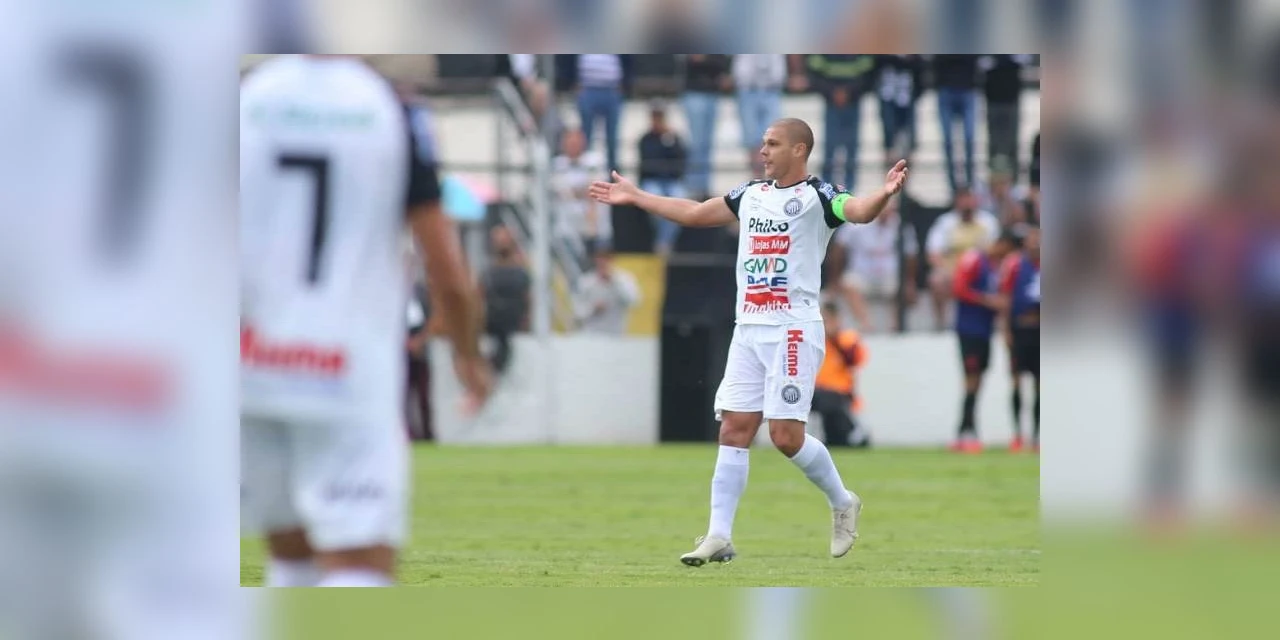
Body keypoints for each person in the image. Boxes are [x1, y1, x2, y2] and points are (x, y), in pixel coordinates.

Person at [589, 117, 909, 564]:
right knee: (734, 429)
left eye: (773, 144)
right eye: (763, 143)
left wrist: (884, 193)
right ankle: (719, 535)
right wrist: (637, 196)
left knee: (784, 436)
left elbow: (858, 211)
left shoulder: (819, 196)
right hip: (749, 328)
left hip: (793, 329)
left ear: (799, 150)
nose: (763, 151)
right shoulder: (750, 195)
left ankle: (842, 501)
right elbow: (698, 212)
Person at [239, 55, 492, 588]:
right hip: (345, 366)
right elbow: (446, 267)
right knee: (358, 566)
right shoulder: (391, 110)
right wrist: (468, 354)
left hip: (251, 364)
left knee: (290, 559)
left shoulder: (247, 96)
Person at [948, 230, 1021, 453]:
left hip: (985, 331)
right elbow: (959, 288)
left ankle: (967, 431)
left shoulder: (994, 266)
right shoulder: (974, 259)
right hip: (970, 329)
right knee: (971, 380)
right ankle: (965, 433)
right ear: (1002, 243)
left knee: (978, 381)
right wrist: (988, 301)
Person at [833, 195, 918, 332]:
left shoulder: (901, 226)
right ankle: (866, 326)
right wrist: (834, 280)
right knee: (848, 283)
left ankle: (896, 328)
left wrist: (910, 281)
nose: (886, 213)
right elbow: (838, 249)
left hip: (889, 277)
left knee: (902, 286)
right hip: (862, 276)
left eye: (890, 210)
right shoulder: (857, 223)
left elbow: (911, 255)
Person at [926, 186, 1000, 330]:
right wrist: (945, 270)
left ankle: (994, 323)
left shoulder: (988, 222)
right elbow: (933, 252)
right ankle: (941, 325)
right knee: (936, 280)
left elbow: (997, 250)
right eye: (963, 200)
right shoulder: (945, 222)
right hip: (953, 272)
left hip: (981, 271)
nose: (967, 204)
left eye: (970, 199)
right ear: (957, 202)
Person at [1000, 225, 1040, 453]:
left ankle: (1036, 437)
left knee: (1040, 385)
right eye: (1033, 239)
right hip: (1020, 330)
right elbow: (1006, 298)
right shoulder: (1015, 264)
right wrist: (1006, 330)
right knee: (1016, 381)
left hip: (1041, 331)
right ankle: (1017, 434)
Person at [813, 301, 871, 447]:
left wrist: (834, 338)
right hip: (816, 390)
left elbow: (854, 361)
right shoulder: (815, 340)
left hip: (841, 391)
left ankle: (852, 432)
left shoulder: (847, 338)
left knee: (830, 401)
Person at [637, 102, 688, 257]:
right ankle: (664, 243)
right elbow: (648, 160)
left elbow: (681, 158)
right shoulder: (645, 139)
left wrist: (669, 140)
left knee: (678, 202)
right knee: (657, 204)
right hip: (652, 180)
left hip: (671, 181)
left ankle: (663, 243)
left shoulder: (673, 138)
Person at [479, 224, 531, 374]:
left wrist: (526, 324)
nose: (501, 243)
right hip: (493, 324)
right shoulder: (488, 273)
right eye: (498, 240)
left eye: (504, 240)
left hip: (513, 325)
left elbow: (528, 299)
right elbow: (480, 297)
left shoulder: (521, 272)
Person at [573, 247, 641, 334]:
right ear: (595, 259)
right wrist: (593, 309)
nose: (603, 261)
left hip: (616, 336)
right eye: (600, 257)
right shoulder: (586, 281)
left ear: (613, 259)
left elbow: (634, 302)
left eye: (607, 258)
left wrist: (614, 281)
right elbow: (576, 313)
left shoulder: (625, 279)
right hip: (590, 337)